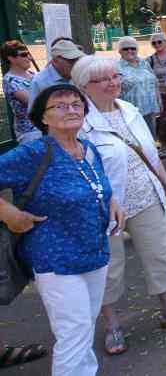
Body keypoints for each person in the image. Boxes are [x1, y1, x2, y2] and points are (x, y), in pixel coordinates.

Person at [72, 57, 166, 356]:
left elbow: (151, 155)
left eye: (114, 76)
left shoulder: (129, 109)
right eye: (102, 79)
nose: (112, 83)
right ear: (83, 86)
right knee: (109, 267)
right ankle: (112, 326)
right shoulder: (79, 123)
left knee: (160, 254)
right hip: (105, 207)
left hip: (146, 195)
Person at [0, 83, 123, 376]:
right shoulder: (33, 153)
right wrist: (8, 212)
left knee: (85, 325)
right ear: (43, 117)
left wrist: (112, 201)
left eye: (76, 104)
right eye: (60, 106)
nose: (71, 110)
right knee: (74, 332)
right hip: (55, 257)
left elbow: (96, 183)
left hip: (94, 251)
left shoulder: (88, 149)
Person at [115, 37, 161, 137]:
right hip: (131, 112)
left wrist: (158, 100)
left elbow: (154, 82)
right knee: (137, 138)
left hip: (150, 108)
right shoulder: (116, 67)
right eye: (125, 49)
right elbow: (115, 91)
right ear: (120, 51)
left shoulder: (144, 63)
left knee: (151, 136)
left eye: (133, 48)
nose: (130, 51)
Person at [2, 40, 42, 143]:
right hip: (30, 132)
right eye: (24, 55)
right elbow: (33, 102)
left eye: (28, 54)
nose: (29, 58)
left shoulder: (32, 74)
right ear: (11, 58)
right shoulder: (9, 80)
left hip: (46, 126)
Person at [146, 33, 166, 158]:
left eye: (159, 41)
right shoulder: (150, 60)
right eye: (154, 43)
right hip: (161, 94)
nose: (157, 44)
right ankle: (164, 145)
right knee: (163, 121)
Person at [27, 38, 85, 107]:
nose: (75, 63)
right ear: (55, 60)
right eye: (70, 60)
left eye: (77, 59)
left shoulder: (80, 76)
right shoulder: (39, 82)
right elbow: (34, 111)